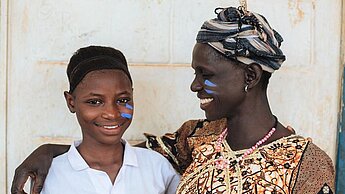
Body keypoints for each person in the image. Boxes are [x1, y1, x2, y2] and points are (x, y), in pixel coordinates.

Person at [12, 6, 334, 194]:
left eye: (205, 73)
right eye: (194, 72)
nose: (195, 85)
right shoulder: (196, 138)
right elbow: (109, 149)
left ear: (250, 76)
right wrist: (49, 152)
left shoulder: (307, 163)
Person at [20, 45, 180, 194]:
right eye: (94, 102)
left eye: (123, 100)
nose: (111, 113)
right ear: (71, 102)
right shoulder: (48, 176)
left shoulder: (157, 168)